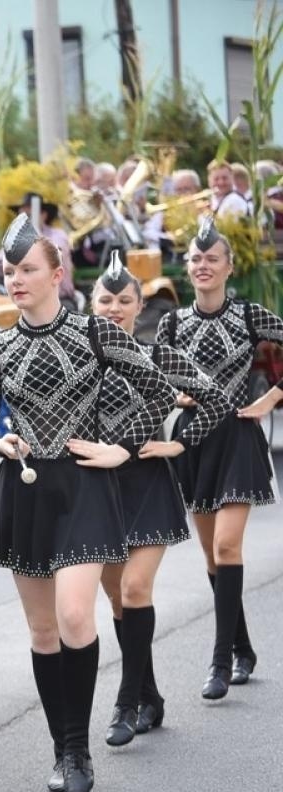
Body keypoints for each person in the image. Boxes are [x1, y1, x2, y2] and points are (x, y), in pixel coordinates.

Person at [0, 214, 175, 792]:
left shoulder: (95, 333)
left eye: (29, 269)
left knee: (77, 616)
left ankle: (80, 750)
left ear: (58, 274)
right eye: (10, 272)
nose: (17, 280)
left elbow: (157, 390)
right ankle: (61, 747)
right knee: (42, 628)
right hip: (24, 493)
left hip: (84, 486)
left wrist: (121, 447)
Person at [90, 251, 230, 745]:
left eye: (122, 299)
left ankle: (125, 705)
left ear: (138, 306)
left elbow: (217, 399)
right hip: (98, 493)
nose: (113, 307)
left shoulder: (157, 356)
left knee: (134, 590)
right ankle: (149, 694)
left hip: (148, 484)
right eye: (104, 299)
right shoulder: (79, 361)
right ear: (92, 304)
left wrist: (179, 442)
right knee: (117, 600)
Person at [155, 215, 283, 699]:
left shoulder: (250, 316)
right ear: (187, 269)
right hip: (193, 442)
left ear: (229, 268)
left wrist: (272, 397)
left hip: (237, 437)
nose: (204, 265)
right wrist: (175, 396)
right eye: (196, 259)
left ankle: (220, 662)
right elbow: (154, 383)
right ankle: (243, 647)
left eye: (213, 259)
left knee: (228, 547)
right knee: (212, 555)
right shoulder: (171, 323)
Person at [0, 199, 76, 302]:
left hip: (61, 301)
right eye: (21, 216)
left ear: (43, 215)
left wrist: (34, 237)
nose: (24, 221)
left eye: (29, 215)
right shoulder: (15, 240)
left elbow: (54, 253)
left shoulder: (58, 235)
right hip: (30, 304)